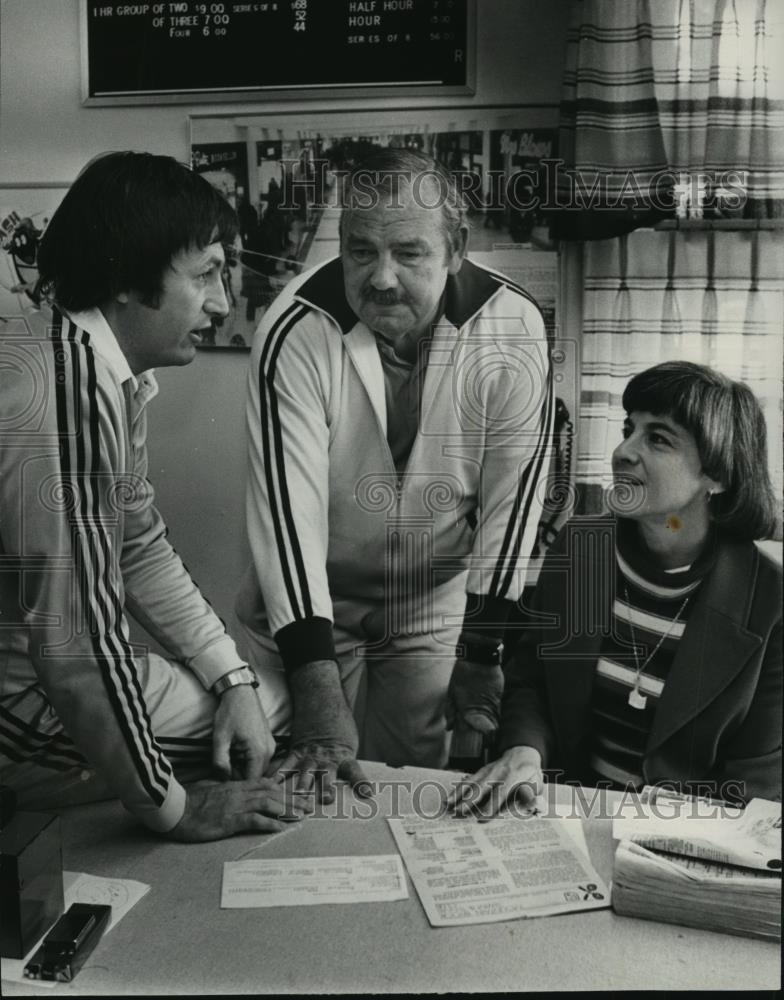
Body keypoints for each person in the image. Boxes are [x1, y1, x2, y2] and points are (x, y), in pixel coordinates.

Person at [0, 152, 303, 841]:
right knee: (269, 728)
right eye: (205, 277)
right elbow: (74, 644)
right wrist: (176, 809)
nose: (223, 304)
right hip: (16, 702)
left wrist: (230, 679)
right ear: (125, 283)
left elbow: (136, 546)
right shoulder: (63, 401)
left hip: (32, 665)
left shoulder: (77, 358)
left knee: (257, 700)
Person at [236, 148, 554, 797]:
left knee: (409, 786)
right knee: (305, 779)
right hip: (311, 601)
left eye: (408, 253)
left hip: (431, 599)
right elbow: (287, 519)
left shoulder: (513, 324)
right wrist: (315, 686)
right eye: (360, 251)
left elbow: (512, 502)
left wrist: (482, 649)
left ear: (456, 247)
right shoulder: (294, 328)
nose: (380, 278)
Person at [450, 361, 782, 816]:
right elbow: (533, 684)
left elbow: (757, 781)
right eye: (629, 429)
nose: (623, 451)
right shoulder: (582, 549)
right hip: (563, 812)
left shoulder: (769, 600)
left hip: (687, 840)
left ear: (718, 474)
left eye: (658, 438)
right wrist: (525, 751)